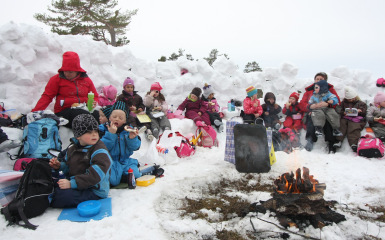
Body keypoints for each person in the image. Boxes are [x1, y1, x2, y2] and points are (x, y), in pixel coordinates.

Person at [49, 114, 112, 208]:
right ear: (78, 136)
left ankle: (48, 199)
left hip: (94, 190)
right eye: (89, 132)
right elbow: (70, 166)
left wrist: (71, 183)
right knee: (53, 184)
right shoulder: (72, 148)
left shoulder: (100, 151)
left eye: (96, 131)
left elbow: (95, 175)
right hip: (78, 184)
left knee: (63, 197)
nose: (94, 134)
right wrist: (60, 166)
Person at [100, 101, 163, 186]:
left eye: (121, 118)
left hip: (126, 161)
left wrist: (132, 139)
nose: (117, 119)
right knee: (113, 181)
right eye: (114, 116)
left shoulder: (128, 130)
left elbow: (135, 147)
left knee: (135, 174)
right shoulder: (103, 130)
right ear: (109, 117)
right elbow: (103, 147)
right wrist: (111, 134)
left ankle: (132, 173)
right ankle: (123, 176)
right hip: (111, 162)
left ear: (125, 120)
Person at [31, 51, 99, 128]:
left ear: (77, 71)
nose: (67, 74)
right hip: (63, 112)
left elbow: (95, 96)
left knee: (99, 116)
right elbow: (47, 97)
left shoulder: (86, 80)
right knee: (84, 117)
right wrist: (35, 112)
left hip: (84, 109)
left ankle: (102, 137)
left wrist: (94, 102)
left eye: (70, 72)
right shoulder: (56, 80)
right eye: (65, 71)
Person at [298, 72, 341, 153]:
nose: (318, 81)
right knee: (312, 118)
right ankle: (310, 140)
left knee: (329, 120)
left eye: (321, 79)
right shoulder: (309, 91)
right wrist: (310, 107)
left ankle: (331, 142)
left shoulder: (330, 90)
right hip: (314, 111)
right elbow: (302, 104)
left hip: (327, 110)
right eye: (317, 79)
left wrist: (328, 104)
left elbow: (337, 102)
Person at [334, 87, 367, 152]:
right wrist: (343, 112)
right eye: (349, 99)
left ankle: (354, 143)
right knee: (342, 125)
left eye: (352, 98)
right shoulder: (343, 102)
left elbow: (365, 111)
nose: (351, 100)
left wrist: (360, 111)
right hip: (346, 117)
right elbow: (339, 109)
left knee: (353, 127)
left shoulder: (361, 103)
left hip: (356, 119)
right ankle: (338, 140)